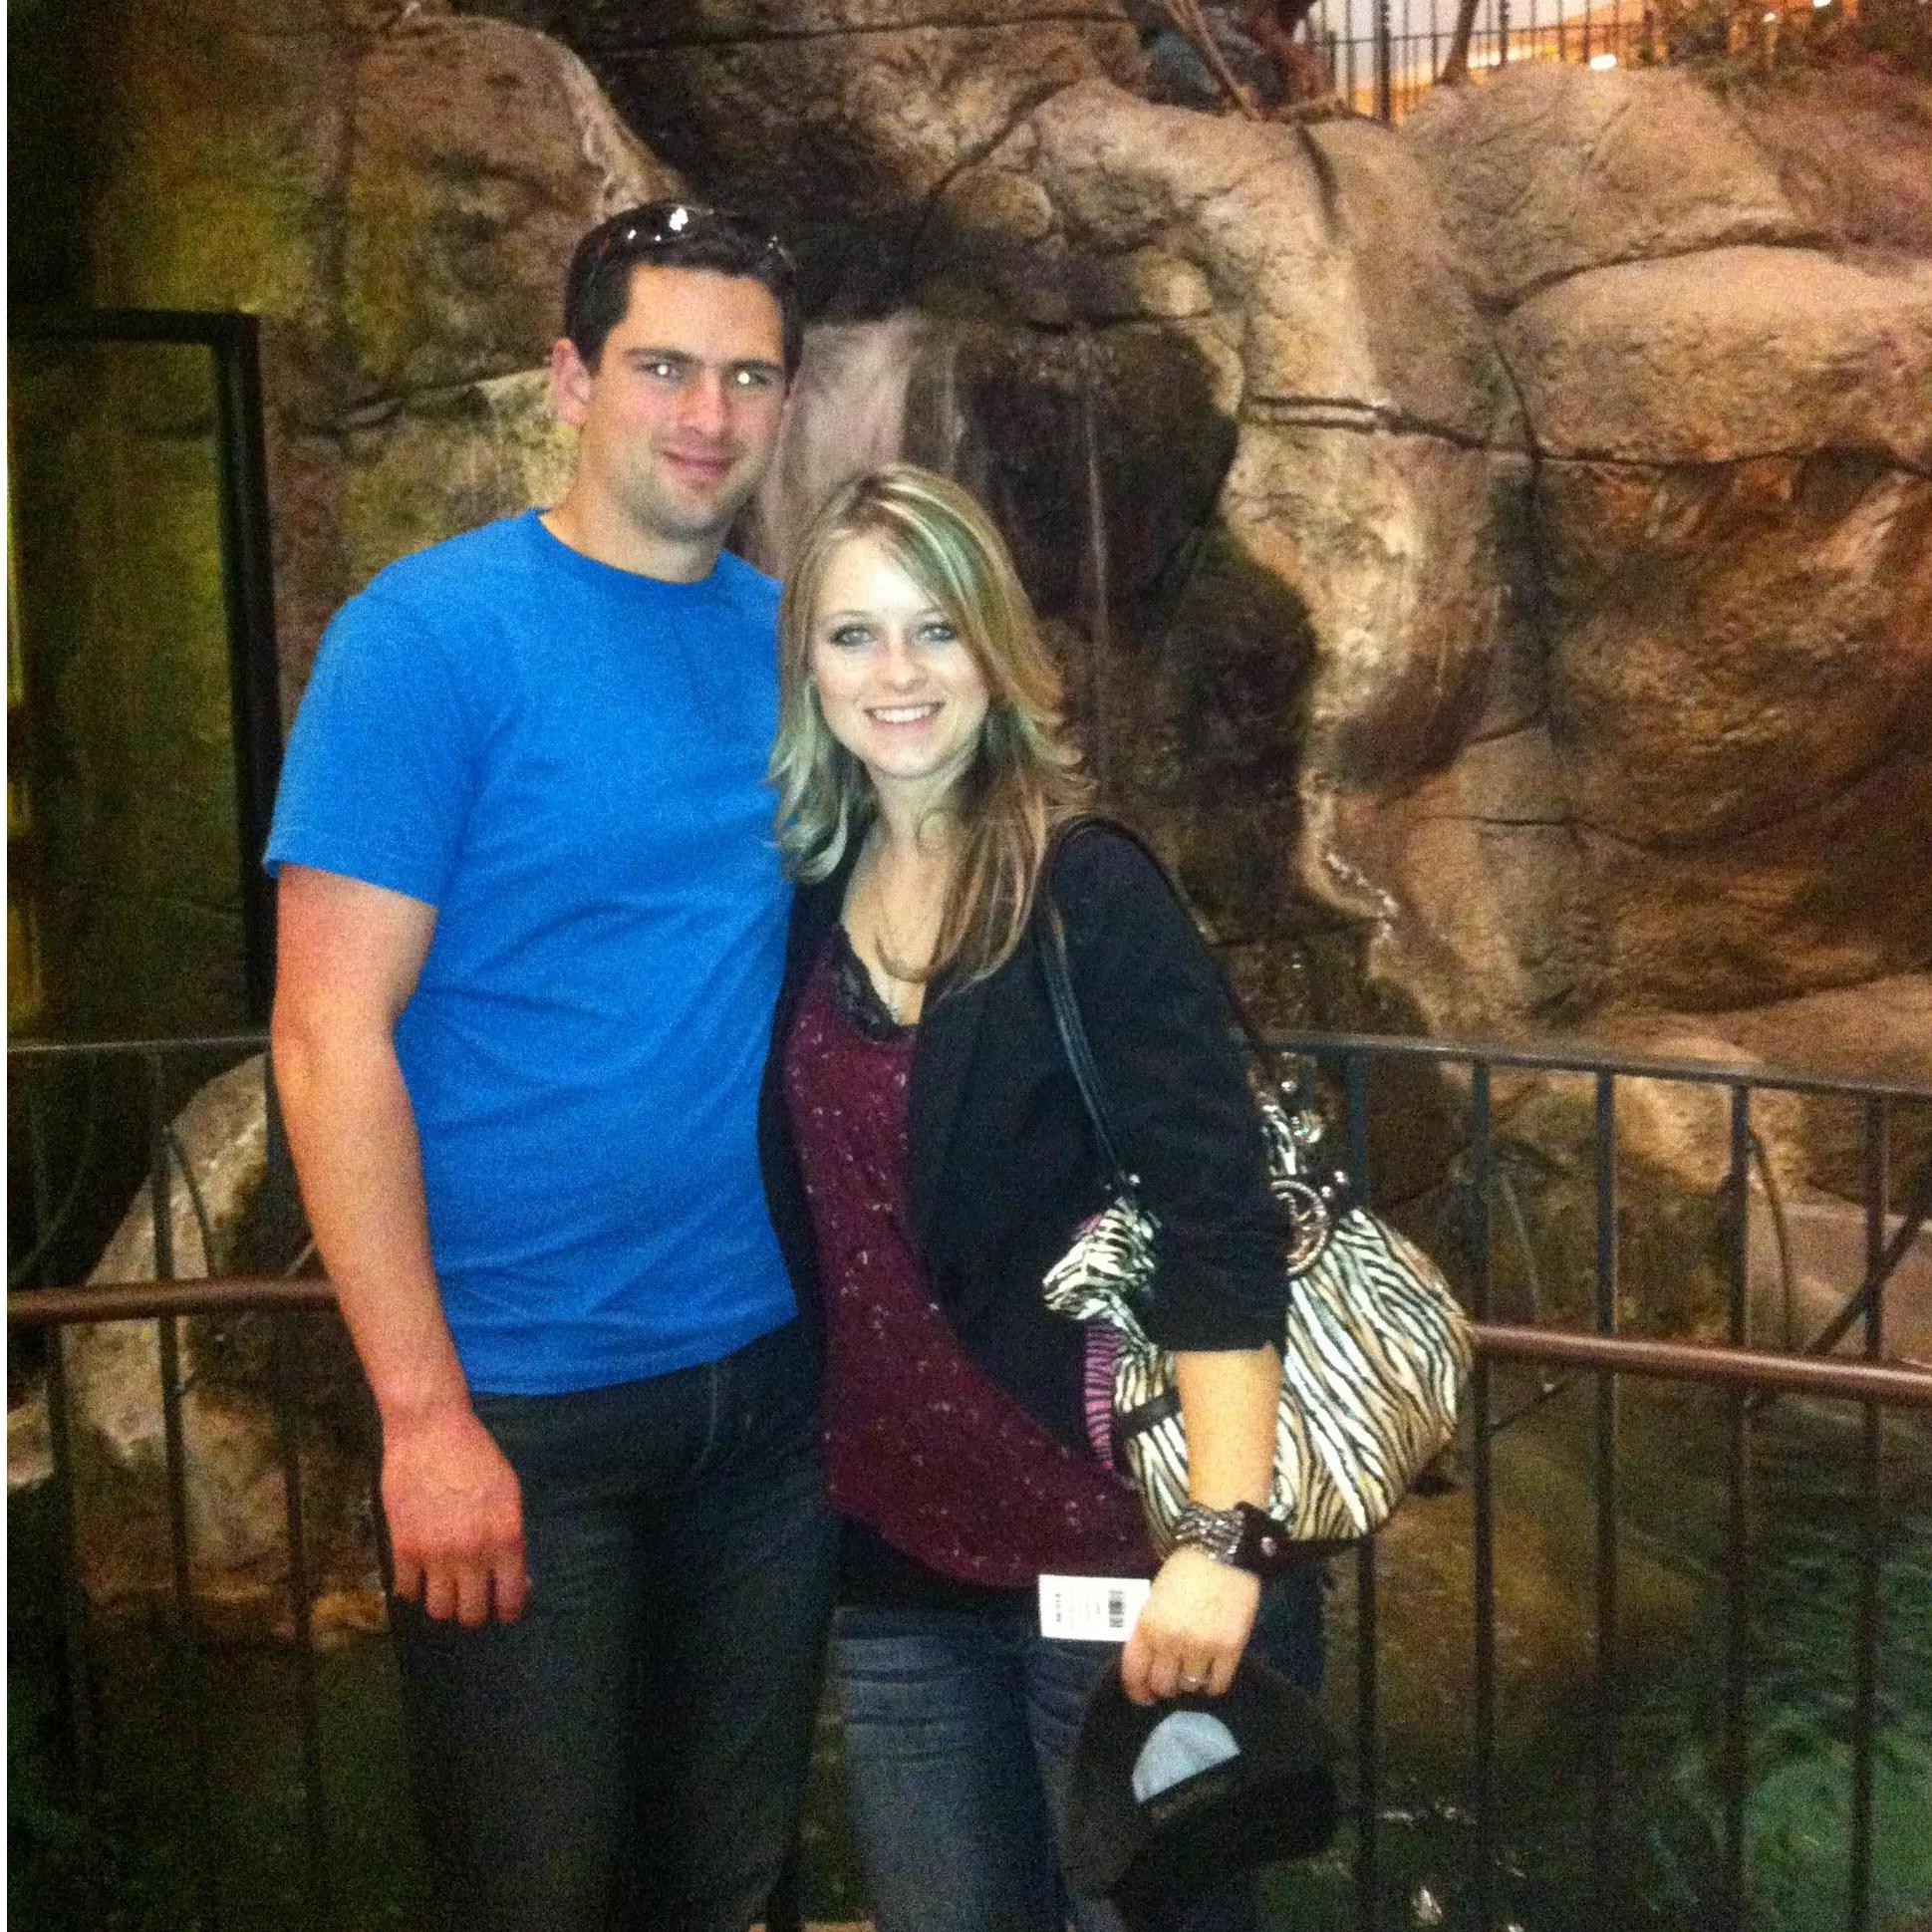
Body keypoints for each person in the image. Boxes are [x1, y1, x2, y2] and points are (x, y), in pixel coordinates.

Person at [267, 203, 837, 1932]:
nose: (709, 417)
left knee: (726, 1886)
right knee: (534, 1893)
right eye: (664, 367)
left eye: (749, 378)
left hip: (773, 1399)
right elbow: (325, 1037)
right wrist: (423, 1418)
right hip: (524, 1410)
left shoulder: (799, 647)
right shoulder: (426, 641)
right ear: (571, 379)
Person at [756, 464, 1323, 1932]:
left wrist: (1220, 1539)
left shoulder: (1086, 890)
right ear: (807, 665)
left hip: (1119, 1569)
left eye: (935, 629)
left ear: (994, 648)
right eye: (855, 635)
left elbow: (1218, 1221)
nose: (897, 673)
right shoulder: (807, 894)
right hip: (899, 1570)